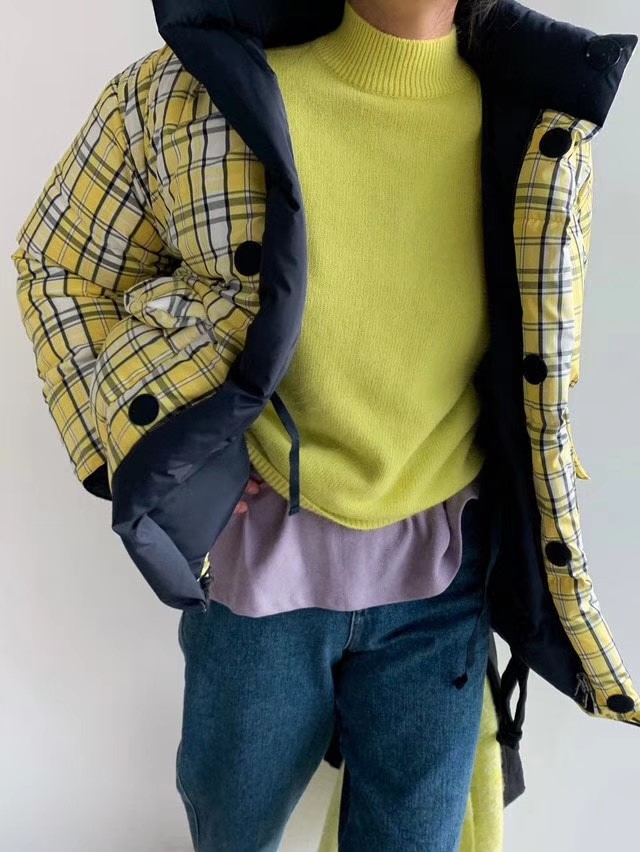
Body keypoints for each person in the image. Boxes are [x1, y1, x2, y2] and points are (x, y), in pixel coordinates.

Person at [12, 0, 638, 850]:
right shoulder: (195, 97)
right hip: (256, 575)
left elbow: (538, 366)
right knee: (232, 831)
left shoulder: (544, 133)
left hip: (443, 579)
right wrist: (145, 448)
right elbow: (61, 266)